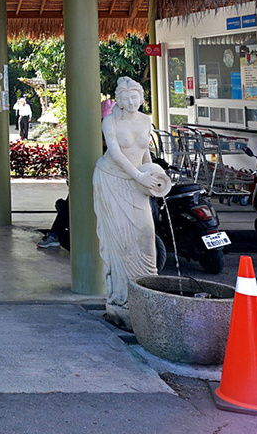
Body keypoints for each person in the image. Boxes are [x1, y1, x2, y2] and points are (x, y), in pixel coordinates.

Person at [93, 77, 171, 327]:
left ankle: (145, 289)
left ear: (141, 97)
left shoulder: (146, 120)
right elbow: (115, 153)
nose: (131, 102)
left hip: (137, 180)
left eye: (135, 97)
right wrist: (139, 175)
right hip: (112, 180)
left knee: (147, 233)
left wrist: (154, 172)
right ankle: (121, 299)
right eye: (125, 98)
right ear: (119, 101)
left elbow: (144, 151)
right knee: (121, 240)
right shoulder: (110, 121)